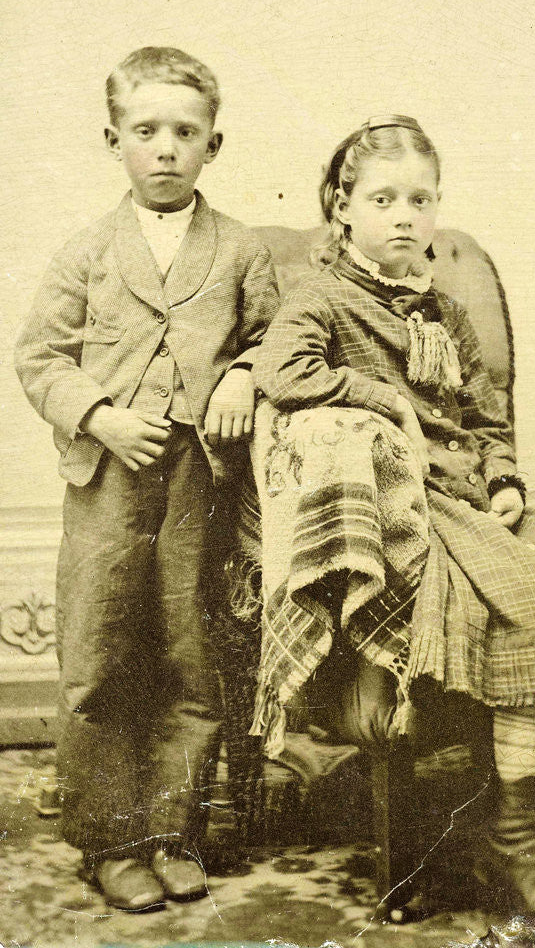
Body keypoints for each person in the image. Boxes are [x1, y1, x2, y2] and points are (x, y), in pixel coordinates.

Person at [251, 115, 535, 928]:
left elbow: (486, 418)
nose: (404, 216)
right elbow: (283, 372)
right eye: (383, 199)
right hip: (414, 514)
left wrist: (504, 478)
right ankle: (519, 839)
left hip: (479, 503)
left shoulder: (446, 311)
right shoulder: (321, 298)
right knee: (534, 623)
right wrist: (383, 399)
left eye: (420, 199)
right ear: (342, 207)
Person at [14, 47, 279, 912]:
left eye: (186, 132)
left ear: (213, 145)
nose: (166, 148)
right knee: (100, 653)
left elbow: (277, 339)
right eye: (146, 130)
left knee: (187, 655)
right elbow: (40, 357)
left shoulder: (240, 248)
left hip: (200, 480)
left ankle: (172, 832)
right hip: (107, 481)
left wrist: (244, 376)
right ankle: (110, 840)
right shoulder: (88, 250)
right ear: (114, 140)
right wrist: (99, 414)